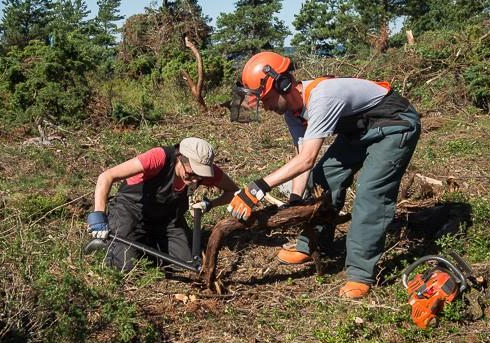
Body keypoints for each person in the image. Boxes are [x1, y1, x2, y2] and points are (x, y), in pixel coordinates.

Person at [228, 52, 421, 299]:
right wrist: (296, 200)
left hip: (395, 125)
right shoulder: (293, 113)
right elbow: (302, 160)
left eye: (266, 99)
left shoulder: (322, 97)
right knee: (322, 178)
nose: (265, 107)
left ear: (282, 84)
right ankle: (312, 244)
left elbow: (307, 158)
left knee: (370, 194)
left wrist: (256, 188)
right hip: (360, 131)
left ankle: (360, 273)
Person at [87, 137, 238, 271]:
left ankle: (140, 242)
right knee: (124, 264)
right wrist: (98, 216)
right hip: (131, 211)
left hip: (167, 219)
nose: (194, 180)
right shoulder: (159, 157)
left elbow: (233, 192)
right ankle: (107, 244)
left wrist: (209, 204)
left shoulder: (203, 171)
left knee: (185, 262)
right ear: (180, 158)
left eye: (200, 176)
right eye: (191, 174)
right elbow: (106, 176)